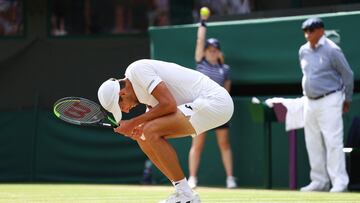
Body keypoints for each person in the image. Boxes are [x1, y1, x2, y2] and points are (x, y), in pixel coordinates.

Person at [97, 59, 234, 203]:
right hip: (205, 105)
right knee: (143, 136)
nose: (124, 111)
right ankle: (184, 192)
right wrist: (137, 128)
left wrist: (133, 122)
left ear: (123, 93)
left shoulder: (137, 70)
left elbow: (168, 104)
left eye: (121, 107)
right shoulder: (143, 93)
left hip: (215, 100)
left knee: (150, 131)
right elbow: (157, 112)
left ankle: (186, 195)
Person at [298, 17, 354, 192]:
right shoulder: (303, 51)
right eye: (305, 31)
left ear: (321, 31)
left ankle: (340, 182)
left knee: (333, 141)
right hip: (309, 101)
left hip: (331, 99)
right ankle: (319, 181)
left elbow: (348, 75)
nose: (307, 34)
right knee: (312, 142)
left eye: (311, 30)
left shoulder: (332, 50)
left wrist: (347, 99)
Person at [187, 9, 237, 189]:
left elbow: (227, 92)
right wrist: (202, 22)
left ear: (218, 52)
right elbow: (200, 40)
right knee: (197, 144)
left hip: (219, 110)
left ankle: (230, 178)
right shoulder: (201, 63)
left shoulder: (226, 70)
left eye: (215, 50)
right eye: (209, 50)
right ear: (205, 52)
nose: (212, 52)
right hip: (201, 109)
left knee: (224, 143)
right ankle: (192, 178)